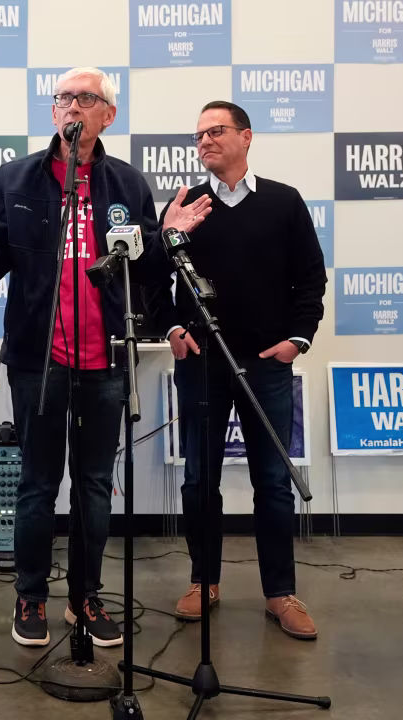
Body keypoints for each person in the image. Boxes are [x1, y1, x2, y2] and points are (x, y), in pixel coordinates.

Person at [0, 68, 212, 648]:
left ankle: (85, 597)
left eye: (86, 99)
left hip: (105, 361)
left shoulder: (126, 184)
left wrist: (167, 237)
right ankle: (30, 594)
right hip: (36, 361)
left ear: (107, 116)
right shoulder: (15, 180)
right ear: (53, 113)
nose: (73, 108)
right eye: (64, 99)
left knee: (95, 484)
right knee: (37, 485)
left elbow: (146, 275)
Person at [160, 101, 328, 640]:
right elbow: (155, 280)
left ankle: (280, 593)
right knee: (197, 479)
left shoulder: (283, 202)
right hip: (202, 364)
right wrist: (172, 329)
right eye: (199, 134)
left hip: (265, 365)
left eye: (216, 131)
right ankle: (203, 581)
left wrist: (297, 339)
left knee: (273, 482)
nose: (205, 141)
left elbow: (310, 278)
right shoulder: (187, 205)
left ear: (246, 136)